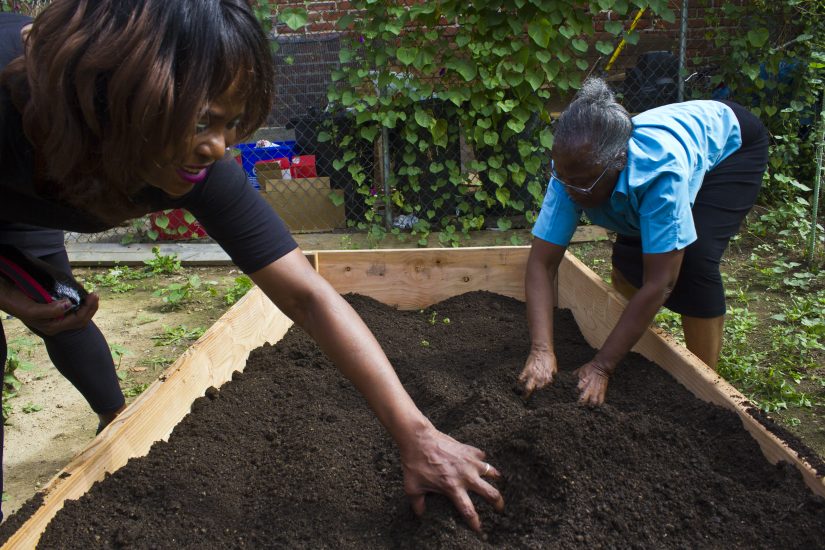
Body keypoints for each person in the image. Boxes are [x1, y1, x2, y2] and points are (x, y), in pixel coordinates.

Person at [0, 1, 504, 529]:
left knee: (60, 312)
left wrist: (418, 436)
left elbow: (307, 296)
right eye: (202, 120)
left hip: (50, 191)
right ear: (120, 94)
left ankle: (114, 424)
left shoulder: (195, 163)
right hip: (27, 166)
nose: (218, 146)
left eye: (232, 122)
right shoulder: (13, 103)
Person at [519, 77, 768, 406]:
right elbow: (542, 262)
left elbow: (661, 283)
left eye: (579, 183)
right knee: (629, 260)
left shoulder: (660, 173)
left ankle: (705, 384)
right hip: (654, 157)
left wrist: (601, 366)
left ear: (618, 162)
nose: (569, 190)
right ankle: (635, 340)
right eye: (562, 178)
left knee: (694, 261)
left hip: (731, 151)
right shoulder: (572, 169)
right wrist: (541, 350)